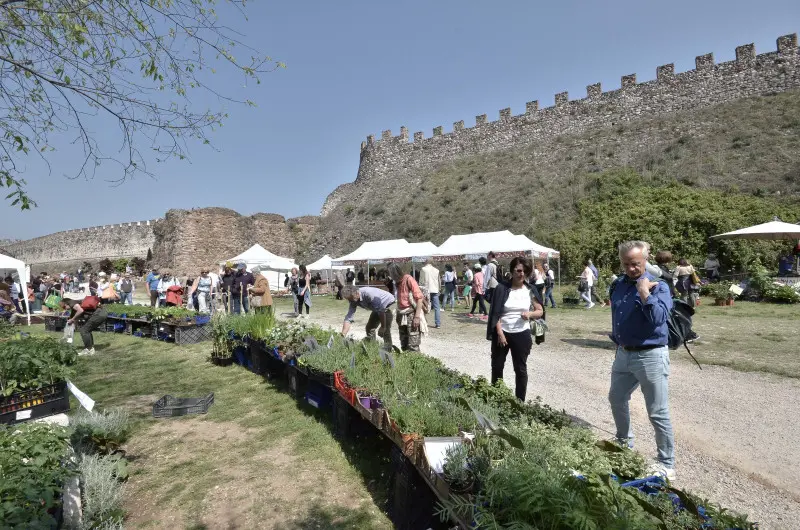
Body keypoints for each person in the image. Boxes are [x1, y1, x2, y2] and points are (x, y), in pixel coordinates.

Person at [608, 240, 676, 481]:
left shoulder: (660, 286)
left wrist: (644, 292)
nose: (631, 268)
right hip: (624, 353)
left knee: (657, 411)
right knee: (616, 397)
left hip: (651, 355)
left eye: (635, 264)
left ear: (645, 261)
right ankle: (623, 446)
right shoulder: (618, 284)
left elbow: (659, 318)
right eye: (626, 264)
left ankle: (667, 463)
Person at [486, 256, 544, 402]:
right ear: (512, 271)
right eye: (519, 270)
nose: (522, 274)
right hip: (503, 333)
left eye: (525, 271)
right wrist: (499, 333)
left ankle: (519, 402)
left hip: (521, 334)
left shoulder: (530, 290)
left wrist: (530, 314)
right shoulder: (502, 288)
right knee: (497, 367)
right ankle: (497, 399)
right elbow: (496, 313)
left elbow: (540, 311)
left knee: (520, 369)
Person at [388, 263, 425, 351]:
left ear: (396, 273)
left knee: (413, 344)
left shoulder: (409, 279)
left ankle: (414, 362)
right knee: (403, 342)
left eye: (391, 274)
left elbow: (420, 298)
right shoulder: (397, 282)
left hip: (411, 314)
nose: (390, 276)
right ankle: (405, 360)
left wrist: (417, 317)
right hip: (401, 314)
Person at [419, 259, 441, 328]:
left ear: (426, 262)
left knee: (422, 306)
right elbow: (439, 281)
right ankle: (438, 323)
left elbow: (421, 281)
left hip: (426, 290)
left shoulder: (423, 269)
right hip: (434, 289)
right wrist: (439, 289)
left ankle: (423, 321)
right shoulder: (437, 270)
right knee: (437, 307)